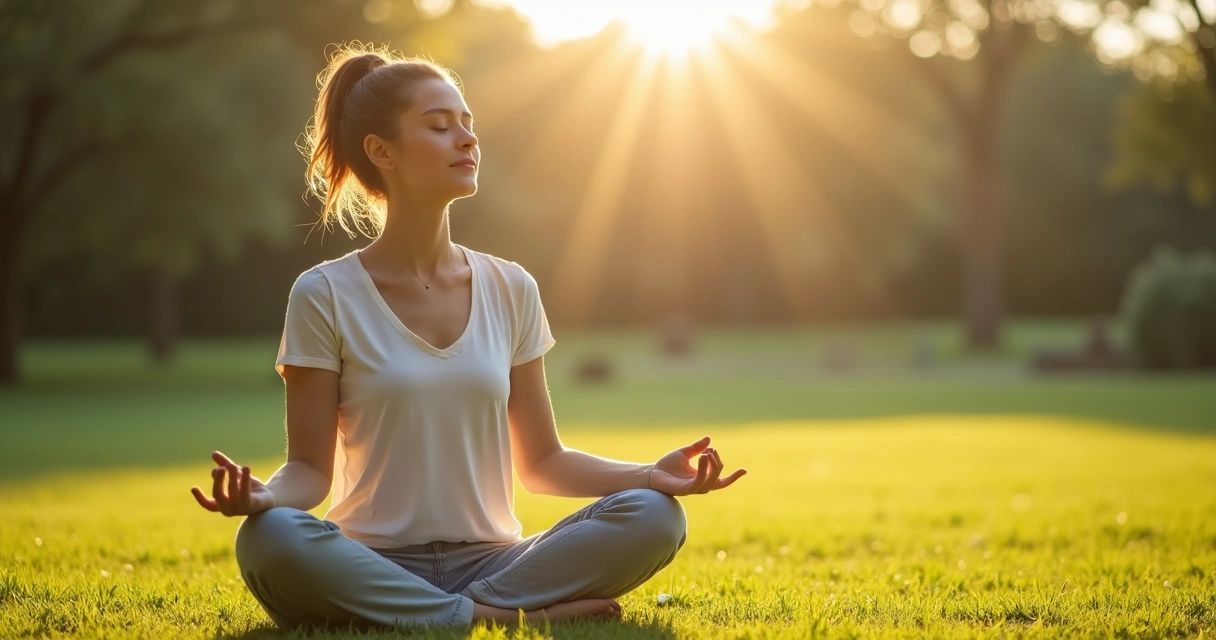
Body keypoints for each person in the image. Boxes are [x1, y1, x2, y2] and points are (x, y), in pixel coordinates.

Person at [190, 45, 746, 631]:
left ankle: (453, 611)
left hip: (497, 559)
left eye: (467, 124)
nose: (467, 139)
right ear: (382, 152)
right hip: (369, 560)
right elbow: (309, 469)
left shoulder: (511, 286)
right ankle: (500, 616)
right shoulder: (323, 292)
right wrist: (266, 500)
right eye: (439, 126)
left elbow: (544, 462)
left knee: (655, 517)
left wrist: (649, 477)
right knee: (270, 537)